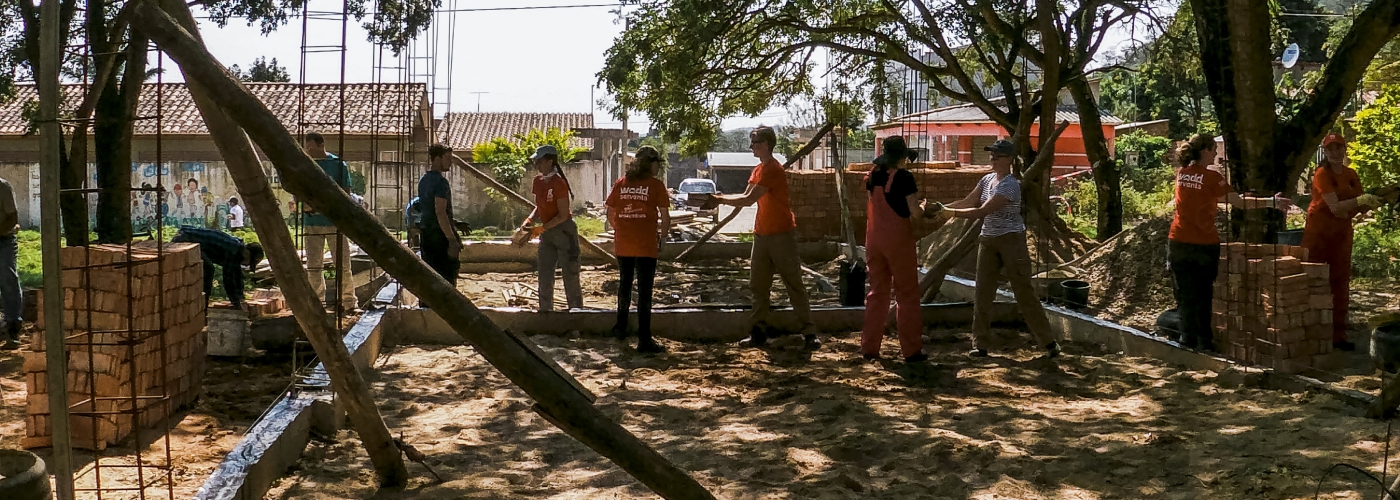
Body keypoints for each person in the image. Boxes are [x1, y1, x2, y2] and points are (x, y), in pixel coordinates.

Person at [1166, 134, 1292, 351]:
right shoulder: (1213, 178)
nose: (1216, 153)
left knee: (1185, 294)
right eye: (1214, 148)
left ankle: (1186, 339)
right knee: (1204, 294)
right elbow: (1240, 204)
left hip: (1178, 241)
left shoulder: (1182, 174)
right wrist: (1272, 201)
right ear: (1205, 150)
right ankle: (1204, 342)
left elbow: (1203, 197)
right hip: (1204, 244)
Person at [942, 139, 1059, 358]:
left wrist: (950, 214)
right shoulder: (986, 180)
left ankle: (1048, 343)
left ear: (1009, 159)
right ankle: (981, 344)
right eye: (991, 154)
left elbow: (981, 211)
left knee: (1023, 291)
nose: (992, 158)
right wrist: (941, 209)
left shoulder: (1010, 185)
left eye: (997, 155)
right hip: (988, 240)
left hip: (1011, 240)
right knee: (983, 291)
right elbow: (969, 201)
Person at [713, 126, 819, 349]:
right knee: (758, 285)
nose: (751, 146)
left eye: (755, 142)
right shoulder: (758, 169)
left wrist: (719, 200)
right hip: (762, 234)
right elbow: (744, 196)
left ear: (766, 144)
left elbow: (749, 200)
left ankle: (809, 332)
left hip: (781, 233)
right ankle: (758, 332)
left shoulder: (772, 169)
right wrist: (719, 199)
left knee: (793, 283)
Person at [860, 136, 939, 363]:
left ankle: (869, 347)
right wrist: (925, 206)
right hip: (898, 242)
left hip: (874, 240)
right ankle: (911, 350)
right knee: (906, 295)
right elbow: (915, 213)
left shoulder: (872, 176)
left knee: (876, 293)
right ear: (901, 158)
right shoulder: (905, 178)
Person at [1302, 133, 1384, 351]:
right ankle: (1312, 333)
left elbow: (1359, 204)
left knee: (1340, 284)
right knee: (1317, 282)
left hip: (1342, 235)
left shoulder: (1350, 174)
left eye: (1339, 148)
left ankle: (1337, 335)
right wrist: (1359, 201)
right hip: (1318, 235)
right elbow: (1336, 207)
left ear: (1344, 149)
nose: (1336, 153)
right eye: (1331, 149)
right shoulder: (1322, 174)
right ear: (1325, 152)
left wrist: (1379, 199)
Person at [606, 146, 671, 354]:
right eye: (657, 163)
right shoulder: (656, 186)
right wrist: (662, 237)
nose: (658, 168)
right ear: (651, 163)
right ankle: (644, 339)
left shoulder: (621, 183)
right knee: (644, 292)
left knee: (624, 286)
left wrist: (622, 229)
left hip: (623, 244)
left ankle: (620, 328)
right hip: (645, 245)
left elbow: (609, 213)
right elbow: (665, 216)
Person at [515, 145, 583, 312]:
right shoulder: (538, 181)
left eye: (540, 161)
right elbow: (539, 206)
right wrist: (531, 219)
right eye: (536, 161)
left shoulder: (559, 183)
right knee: (544, 274)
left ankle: (577, 316)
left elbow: (562, 214)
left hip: (564, 232)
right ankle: (546, 314)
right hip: (547, 233)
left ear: (550, 161)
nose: (537, 164)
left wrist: (541, 228)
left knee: (570, 275)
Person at [300, 131, 357, 312]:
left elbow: (346, 192)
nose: (308, 151)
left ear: (321, 145)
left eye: (311, 147)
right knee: (313, 266)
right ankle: (318, 303)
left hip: (334, 221)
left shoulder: (337, 165)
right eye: (306, 147)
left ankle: (348, 302)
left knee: (342, 264)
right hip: (312, 222)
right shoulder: (304, 165)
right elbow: (297, 189)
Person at [172, 226, 264, 310]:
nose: (247, 265)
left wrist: (241, 298)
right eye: (249, 263)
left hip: (189, 238)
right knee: (208, 269)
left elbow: (237, 275)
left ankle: (201, 305)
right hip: (185, 239)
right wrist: (237, 304)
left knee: (207, 267)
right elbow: (228, 281)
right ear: (247, 253)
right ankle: (203, 308)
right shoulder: (233, 251)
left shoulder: (238, 250)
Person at [418, 144, 462, 286]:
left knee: (428, 276)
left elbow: (429, 210)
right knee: (446, 277)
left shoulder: (424, 180)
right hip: (439, 237)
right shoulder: (441, 183)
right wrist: (452, 239)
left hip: (426, 234)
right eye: (447, 158)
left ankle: (425, 307)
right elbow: (440, 212)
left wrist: (453, 222)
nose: (450, 162)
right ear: (437, 159)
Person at [0, 177, 21, 350]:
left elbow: (12, 217)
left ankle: (13, 327)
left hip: (4, 238)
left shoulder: (3, 187)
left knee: (7, 277)